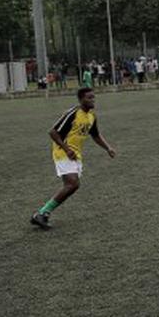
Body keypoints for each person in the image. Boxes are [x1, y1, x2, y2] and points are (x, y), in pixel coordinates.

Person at [31, 87, 116, 229]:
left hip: (75, 155)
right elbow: (52, 132)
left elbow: (95, 135)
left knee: (72, 186)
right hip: (62, 152)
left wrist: (108, 148)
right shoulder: (73, 113)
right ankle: (41, 213)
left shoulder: (91, 116)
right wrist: (67, 149)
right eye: (89, 98)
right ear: (81, 99)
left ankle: (43, 213)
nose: (92, 100)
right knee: (73, 184)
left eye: (93, 97)